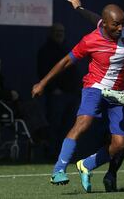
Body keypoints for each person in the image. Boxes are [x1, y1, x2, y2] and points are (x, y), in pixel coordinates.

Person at [32, 4, 124, 193]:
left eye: (122, 24)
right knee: (83, 123)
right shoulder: (90, 40)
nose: (120, 28)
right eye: (115, 25)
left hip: (117, 94)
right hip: (94, 88)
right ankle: (59, 169)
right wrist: (42, 83)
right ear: (105, 24)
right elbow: (66, 61)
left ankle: (87, 165)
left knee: (120, 144)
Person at [66, 0, 124, 191]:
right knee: (118, 139)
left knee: (121, 140)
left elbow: (97, 20)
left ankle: (108, 175)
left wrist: (79, 8)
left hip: (123, 92)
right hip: (112, 90)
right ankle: (103, 172)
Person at [37, 23, 82, 157]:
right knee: (54, 125)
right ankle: (51, 154)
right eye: (56, 31)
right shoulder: (45, 50)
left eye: (61, 31)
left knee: (69, 127)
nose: (59, 33)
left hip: (71, 94)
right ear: (50, 33)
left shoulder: (68, 48)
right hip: (57, 95)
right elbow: (43, 71)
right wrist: (53, 89)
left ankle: (65, 155)